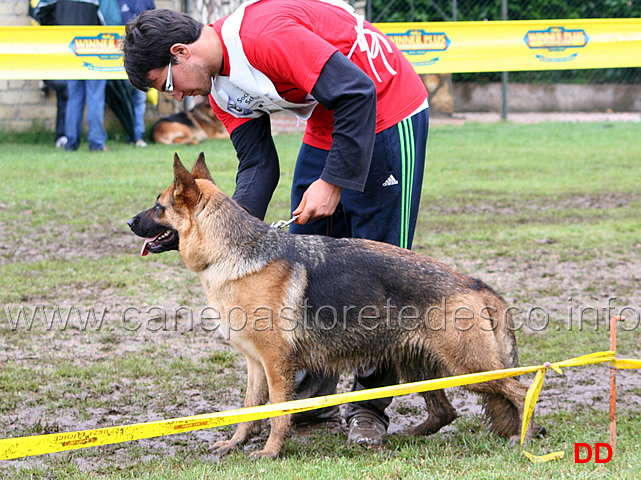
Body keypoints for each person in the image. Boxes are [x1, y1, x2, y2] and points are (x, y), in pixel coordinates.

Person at [123, 0, 429, 447]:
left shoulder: (264, 37)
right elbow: (258, 163)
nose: (175, 97)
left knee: (376, 268)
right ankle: (306, 402)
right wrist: (230, 237)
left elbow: (357, 91)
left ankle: (368, 408)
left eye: (165, 84)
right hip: (328, 122)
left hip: (385, 108)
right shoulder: (219, 88)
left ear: (181, 52)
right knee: (300, 252)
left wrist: (332, 182)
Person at [35, 0, 120, 152]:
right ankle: (97, 143)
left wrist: (59, 28)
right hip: (95, 49)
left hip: (70, 49)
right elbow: (112, 20)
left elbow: (41, 11)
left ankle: (71, 142)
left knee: (73, 97)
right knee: (95, 97)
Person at [118, 0, 156, 146]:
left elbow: (155, 23)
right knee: (124, 99)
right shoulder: (117, 2)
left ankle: (137, 136)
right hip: (119, 60)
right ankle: (129, 134)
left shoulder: (146, 2)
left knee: (139, 99)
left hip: (142, 60)